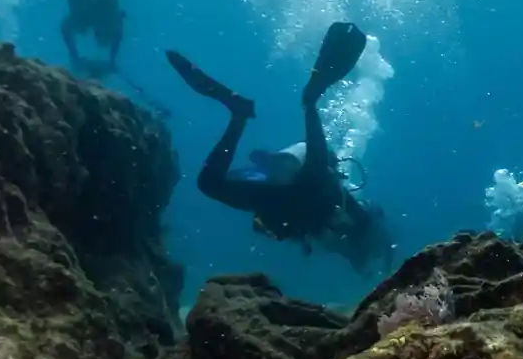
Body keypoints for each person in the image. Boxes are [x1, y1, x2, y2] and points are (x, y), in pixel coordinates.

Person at [167, 22, 393, 272]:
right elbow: (349, 221)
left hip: (284, 198)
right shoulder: (361, 223)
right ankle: (308, 102)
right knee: (311, 177)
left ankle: (240, 114)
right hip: (309, 190)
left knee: (209, 184)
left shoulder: (350, 232)